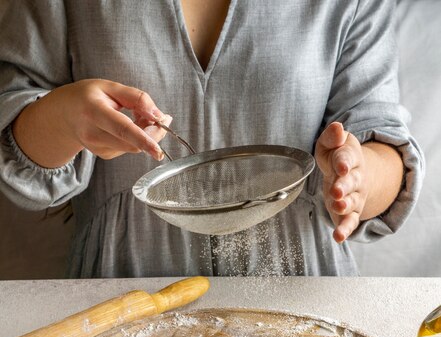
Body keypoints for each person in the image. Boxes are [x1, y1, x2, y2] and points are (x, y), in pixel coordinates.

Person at [0, 0, 424, 278]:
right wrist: (64, 117)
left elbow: (380, 136)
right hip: (120, 289)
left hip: (302, 296)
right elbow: (18, 157)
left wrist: (358, 176)